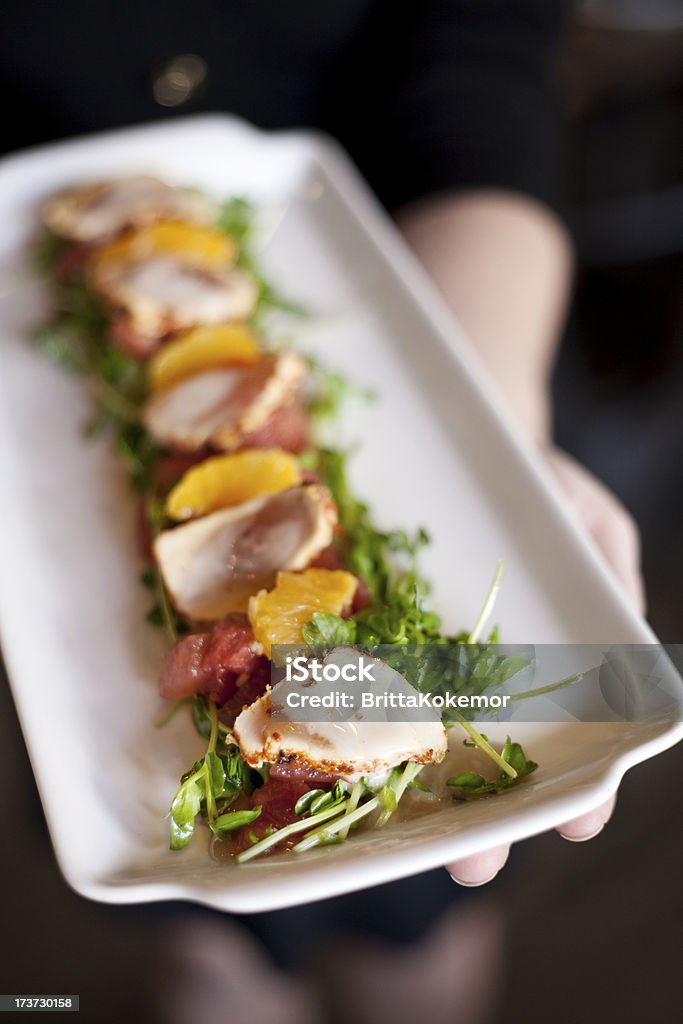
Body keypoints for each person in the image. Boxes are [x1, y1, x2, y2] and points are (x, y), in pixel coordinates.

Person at [1, 0, 640, 886]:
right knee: (205, 954)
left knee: (423, 942)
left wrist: (493, 426)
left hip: (448, 273)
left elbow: (479, 50)